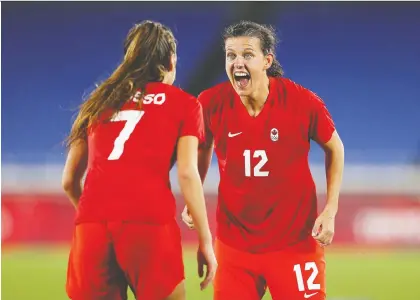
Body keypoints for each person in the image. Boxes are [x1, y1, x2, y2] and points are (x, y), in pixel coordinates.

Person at [182, 20, 345, 300]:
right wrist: (192, 196)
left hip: (295, 243)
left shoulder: (302, 102)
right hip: (235, 247)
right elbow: (202, 146)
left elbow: (335, 148)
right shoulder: (210, 103)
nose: (237, 62)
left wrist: (330, 210)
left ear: (267, 60)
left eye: (247, 54)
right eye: (230, 55)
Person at [62, 20, 217, 300]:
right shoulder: (183, 104)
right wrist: (205, 239)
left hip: (92, 224)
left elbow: (69, 181)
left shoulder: (98, 101)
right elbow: (187, 172)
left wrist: (97, 218)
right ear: (171, 61)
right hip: (148, 222)